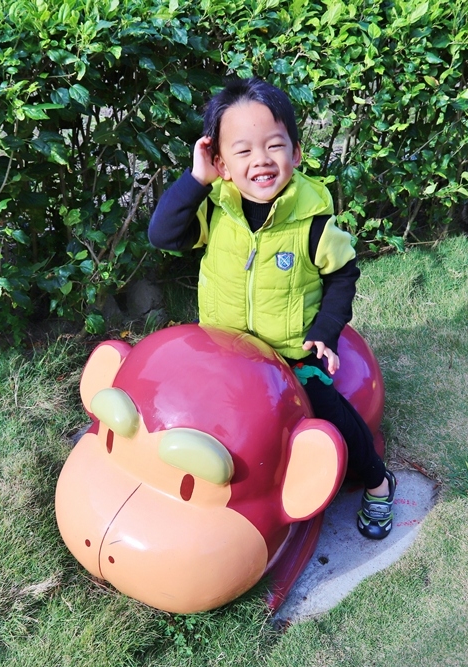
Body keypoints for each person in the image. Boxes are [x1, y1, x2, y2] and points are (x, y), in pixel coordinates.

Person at [147, 77, 395, 539]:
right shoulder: (215, 208)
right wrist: (196, 180)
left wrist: (325, 330)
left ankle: (378, 481)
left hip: (289, 359)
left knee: (332, 413)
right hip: (224, 355)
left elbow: (343, 274)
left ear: (296, 154)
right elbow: (162, 236)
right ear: (220, 162)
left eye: (274, 145)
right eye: (241, 151)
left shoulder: (313, 222)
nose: (260, 160)